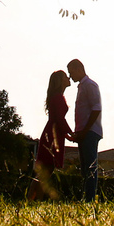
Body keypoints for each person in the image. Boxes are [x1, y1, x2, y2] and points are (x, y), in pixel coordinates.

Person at [28, 69, 74, 201]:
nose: (68, 78)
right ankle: (32, 199)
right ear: (60, 81)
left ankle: (34, 200)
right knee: (45, 171)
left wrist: (68, 134)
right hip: (53, 135)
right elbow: (59, 119)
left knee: (45, 172)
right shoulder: (58, 98)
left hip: (53, 132)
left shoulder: (57, 97)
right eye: (65, 76)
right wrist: (70, 134)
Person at [67, 58, 102, 202]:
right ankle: (86, 197)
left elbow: (96, 109)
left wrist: (85, 130)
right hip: (83, 132)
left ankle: (90, 199)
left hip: (90, 132)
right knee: (85, 168)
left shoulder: (90, 85)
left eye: (71, 72)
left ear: (78, 69)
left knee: (90, 167)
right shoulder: (82, 86)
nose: (70, 76)